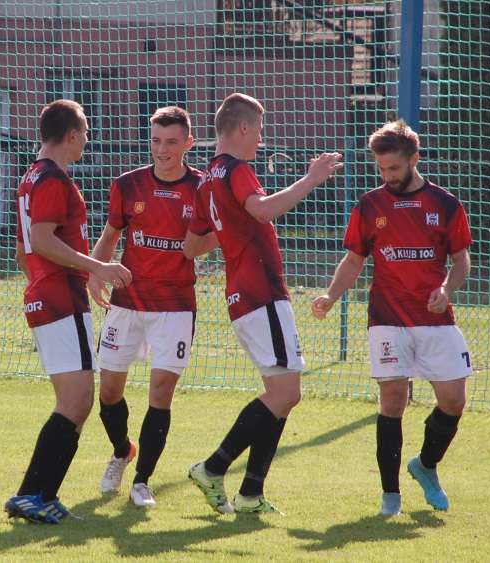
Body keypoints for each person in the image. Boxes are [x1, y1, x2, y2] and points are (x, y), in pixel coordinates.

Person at [183, 93, 342, 514]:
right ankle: (214, 467)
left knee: (282, 392)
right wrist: (310, 180)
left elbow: (190, 246)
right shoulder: (235, 170)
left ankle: (252, 492)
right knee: (286, 392)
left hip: (244, 294)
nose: (260, 138)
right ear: (243, 128)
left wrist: (231, 229)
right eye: (259, 129)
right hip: (260, 293)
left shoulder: (205, 180)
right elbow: (264, 209)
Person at [311, 119, 472, 516]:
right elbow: (353, 260)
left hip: (435, 318)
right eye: (382, 169)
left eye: (394, 169)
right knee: (393, 399)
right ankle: (390, 495)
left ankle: (426, 465)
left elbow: (461, 260)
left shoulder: (445, 204)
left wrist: (447, 290)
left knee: (453, 401)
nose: (388, 176)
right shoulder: (370, 205)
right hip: (386, 316)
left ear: (414, 159)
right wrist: (331, 296)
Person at [4, 99, 132, 524]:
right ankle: (30, 493)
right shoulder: (54, 178)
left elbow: (25, 248)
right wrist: (97, 267)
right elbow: (40, 239)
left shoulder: (30, 176)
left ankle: (42, 494)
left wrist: (56, 279)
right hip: (59, 297)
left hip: (46, 293)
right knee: (76, 400)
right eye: (86, 132)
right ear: (73, 135)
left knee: (75, 401)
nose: (88, 141)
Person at [88, 106, 216, 507]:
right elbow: (111, 235)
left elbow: (223, 232)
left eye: (172, 142)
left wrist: (202, 246)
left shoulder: (203, 187)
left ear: (188, 144)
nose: (163, 150)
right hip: (127, 302)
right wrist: (95, 271)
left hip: (175, 307)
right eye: (156, 140)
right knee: (108, 392)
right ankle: (123, 450)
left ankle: (142, 482)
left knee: (161, 392)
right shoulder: (127, 185)